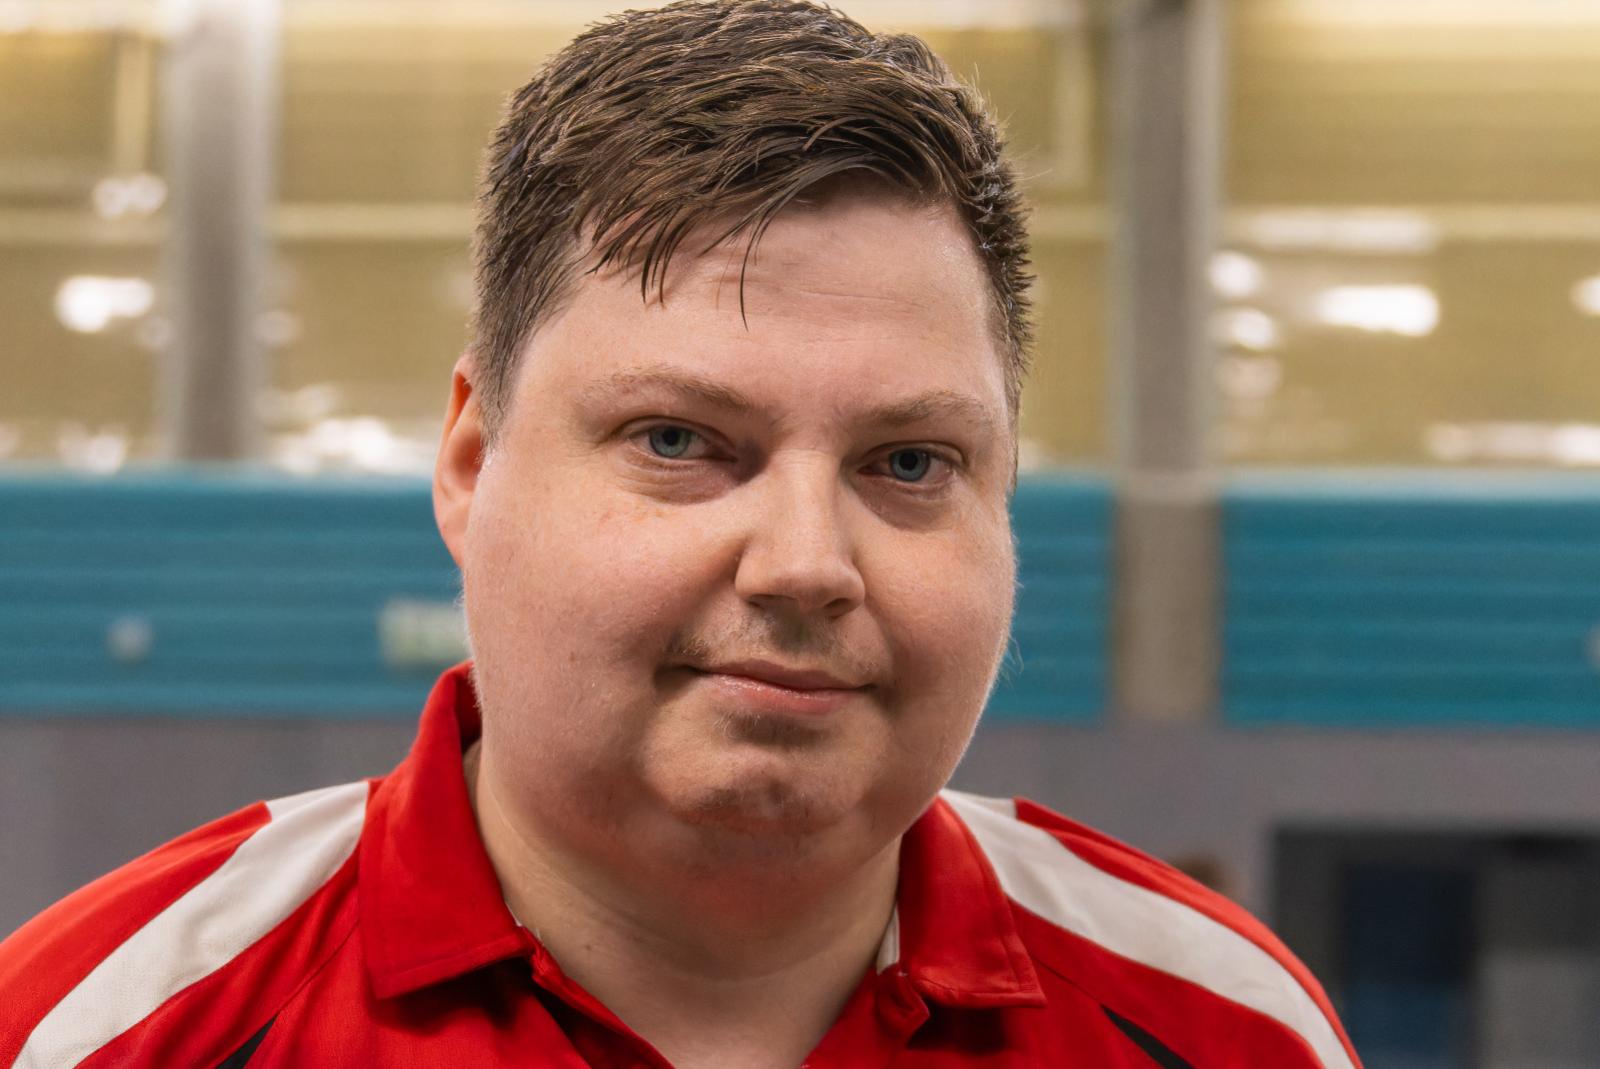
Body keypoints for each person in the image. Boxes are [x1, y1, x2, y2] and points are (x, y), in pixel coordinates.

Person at [0, 2, 1362, 1066]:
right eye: (678, 441)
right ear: (471, 464)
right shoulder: (105, 1032)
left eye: (908, 462)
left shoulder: (1226, 1033)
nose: (805, 564)